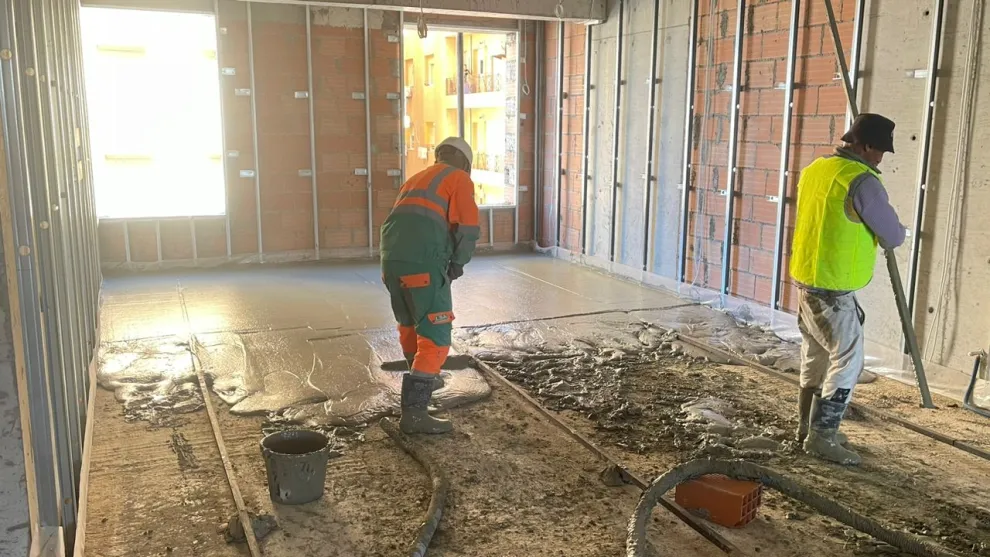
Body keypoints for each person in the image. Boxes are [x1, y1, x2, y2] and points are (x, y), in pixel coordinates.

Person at [789, 113, 907, 466]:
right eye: (881, 151)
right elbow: (892, 235)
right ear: (867, 145)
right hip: (833, 289)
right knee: (849, 358)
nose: (880, 159)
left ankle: (806, 428)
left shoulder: (817, 169)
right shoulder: (862, 182)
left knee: (816, 354)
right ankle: (822, 437)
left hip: (807, 279)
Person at [380, 137, 480, 434]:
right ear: (464, 162)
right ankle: (415, 414)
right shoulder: (458, 178)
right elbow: (467, 227)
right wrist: (459, 261)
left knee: (410, 323)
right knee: (436, 335)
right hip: (424, 263)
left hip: (392, 261)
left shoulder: (416, 178)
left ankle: (422, 376)